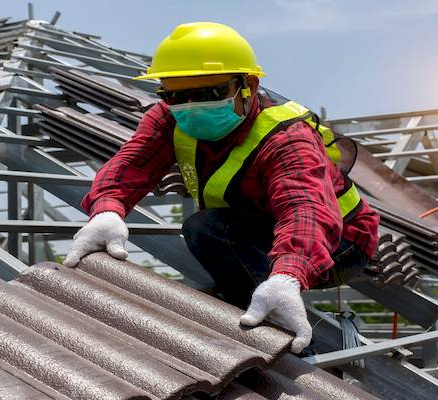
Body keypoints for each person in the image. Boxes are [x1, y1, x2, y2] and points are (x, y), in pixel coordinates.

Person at [62, 22, 379, 354]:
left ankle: (290, 350)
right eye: (174, 95)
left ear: (248, 86)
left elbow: (305, 210)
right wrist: (107, 209)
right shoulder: (170, 117)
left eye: (208, 93)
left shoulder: (287, 138)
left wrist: (288, 275)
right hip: (262, 226)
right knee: (205, 228)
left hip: (339, 241)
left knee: (211, 231)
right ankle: (253, 296)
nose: (189, 106)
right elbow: (133, 163)